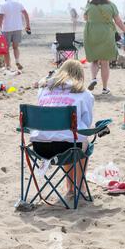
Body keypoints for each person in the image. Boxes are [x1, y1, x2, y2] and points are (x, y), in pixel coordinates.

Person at [30, 60, 94, 197]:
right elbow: (86, 124)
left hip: (40, 148)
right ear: (80, 75)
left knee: (65, 134)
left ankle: (69, 184)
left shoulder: (44, 90)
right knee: (80, 139)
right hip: (68, 149)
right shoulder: (84, 93)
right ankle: (79, 185)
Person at [84, 0, 125, 95]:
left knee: (94, 59)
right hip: (106, 34)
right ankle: (105, 89)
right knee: (105, 62)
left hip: (91, 33)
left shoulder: (89, 5)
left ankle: (93, 79)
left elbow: (86, 18)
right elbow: (118, 22)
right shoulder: (111, 5)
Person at [0, 0, 31, 73]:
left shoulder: (3, 5)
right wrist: (27, 25)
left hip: (6, 29)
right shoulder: (18, 3)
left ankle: (8, 66)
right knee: (16, 47)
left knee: (6, 49)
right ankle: (17, 61)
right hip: (18, 28)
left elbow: (0, 18)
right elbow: (25, 14)